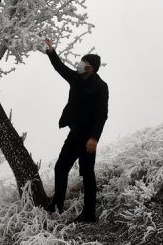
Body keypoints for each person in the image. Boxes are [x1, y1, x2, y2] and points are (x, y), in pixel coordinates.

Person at [42, 38, 109, 223]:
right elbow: (60, 68)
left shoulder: (101, 87)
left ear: (92, 68)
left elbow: (102, 115)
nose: (80, 64)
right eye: (81, 61)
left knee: (87, 174)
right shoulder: (76, 78)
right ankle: (57, 205)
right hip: (74, 134)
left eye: (84, 63)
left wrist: (94, 138)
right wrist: (51, 51)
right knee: (60, 168)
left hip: (88, 139)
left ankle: (89, 214)